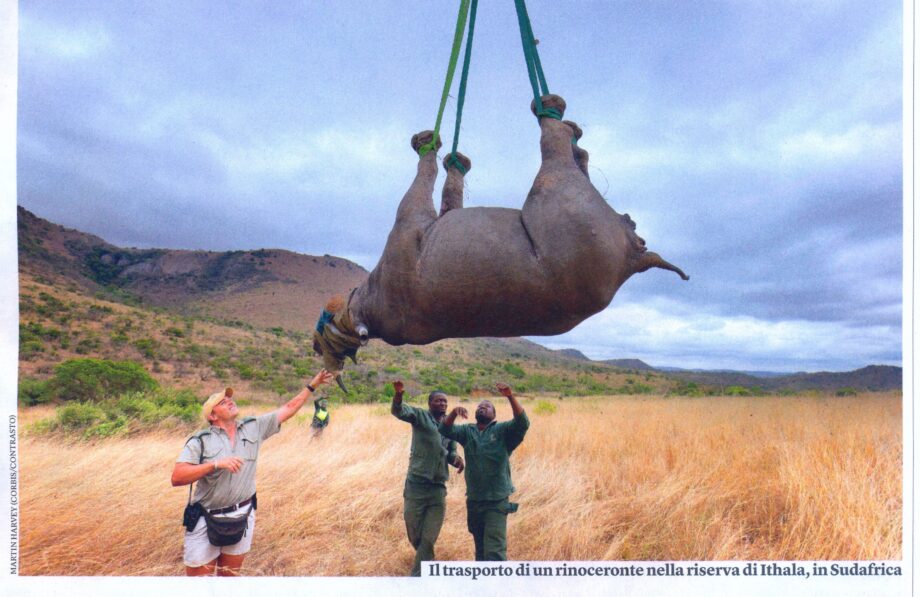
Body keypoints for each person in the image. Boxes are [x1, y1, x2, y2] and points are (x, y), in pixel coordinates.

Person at [171, 368, 334, 576]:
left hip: (242, 514)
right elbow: (177, 477)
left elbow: (289, 407)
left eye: (230, 399)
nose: (230, 401)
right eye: (222, 402)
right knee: (199, 587)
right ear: (212, 415)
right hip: (206, 517)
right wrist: (215, 464)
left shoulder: (253, 427)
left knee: (229, 580)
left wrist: (313, 384)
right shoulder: (200, 440)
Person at [438, 382, 529, 561]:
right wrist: (454, 412)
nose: (482, 407)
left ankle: (496, 587)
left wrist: (510, 396)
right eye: (480, 406)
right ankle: (482, 587)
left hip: (496, 500)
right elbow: (444, 429)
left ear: (493, 415)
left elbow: (522, 423)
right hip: (474, 499)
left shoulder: (502, 430)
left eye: (487, 406)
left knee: (494, 551)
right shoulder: (467, 431)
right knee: (480, 550)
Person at [391, 380, 464, 576]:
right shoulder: (420, 416)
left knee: (429, 538)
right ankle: (427, 559)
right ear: (430, 403)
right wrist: (399, 394)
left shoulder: (449, 427)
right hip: (416, 485)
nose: (443, 404)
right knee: (414, 533)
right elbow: (399, 411)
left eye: (445, 402)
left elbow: (450, 452)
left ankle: (418, 578)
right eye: (439, 401)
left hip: (437, 489)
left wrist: (455, 459)